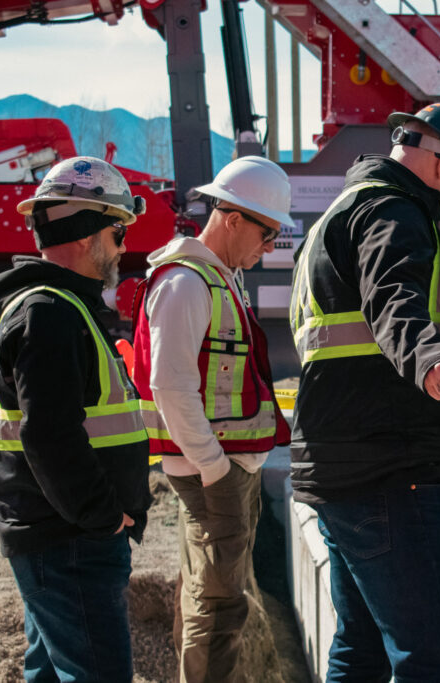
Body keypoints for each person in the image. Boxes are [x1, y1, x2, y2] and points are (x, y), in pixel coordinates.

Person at [288, 102, 440, 683]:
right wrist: (431, 357)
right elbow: (395, 302)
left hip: (344, 467)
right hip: (392, 472)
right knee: (431, 659)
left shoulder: (338, 216)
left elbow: (362, 355)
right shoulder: (394, 211)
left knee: (359, 650)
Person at [0, 156, 152, 682]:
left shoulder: (60, 308)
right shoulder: (50, 314)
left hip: (63, 534)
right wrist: (104, 517)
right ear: (85, 233)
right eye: (117, 232)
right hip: (70, 539)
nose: (122, 248)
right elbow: (49, 435)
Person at [130, 156, 292, 682]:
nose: (270, 248)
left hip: (219, 470)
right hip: (212, 474)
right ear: (233, 218)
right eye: (268, 234)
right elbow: (170, 386)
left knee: (206, 596)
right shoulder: (186, 284)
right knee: (218, 609)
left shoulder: (217, 279)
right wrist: (216, 469)